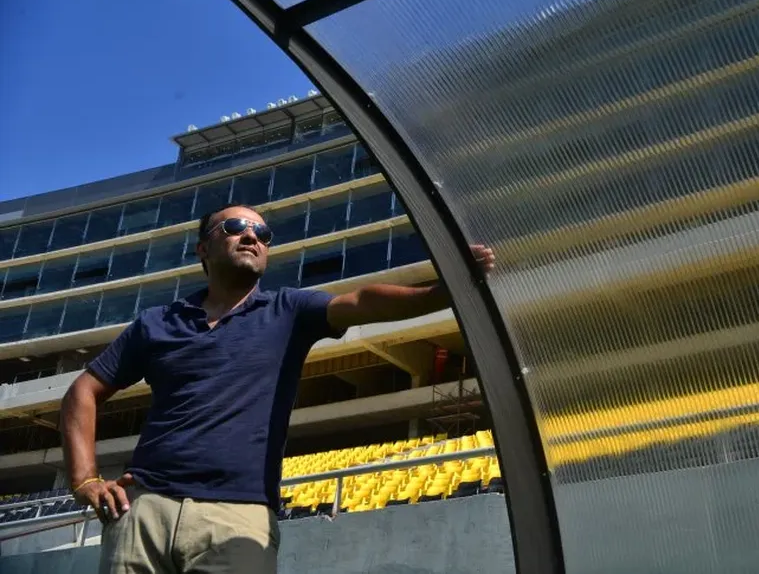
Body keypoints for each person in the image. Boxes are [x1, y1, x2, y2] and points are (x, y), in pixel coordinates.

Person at [60, 203, 494, 574]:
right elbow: (83, 390)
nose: (251, 235)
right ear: (203, 249)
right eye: (234, 227)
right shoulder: (157, 322)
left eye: (261, 232)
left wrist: (443, 290)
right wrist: (84, 481)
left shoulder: (289, 309)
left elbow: (361, 302)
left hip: (239, 515)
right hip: (143, 511)